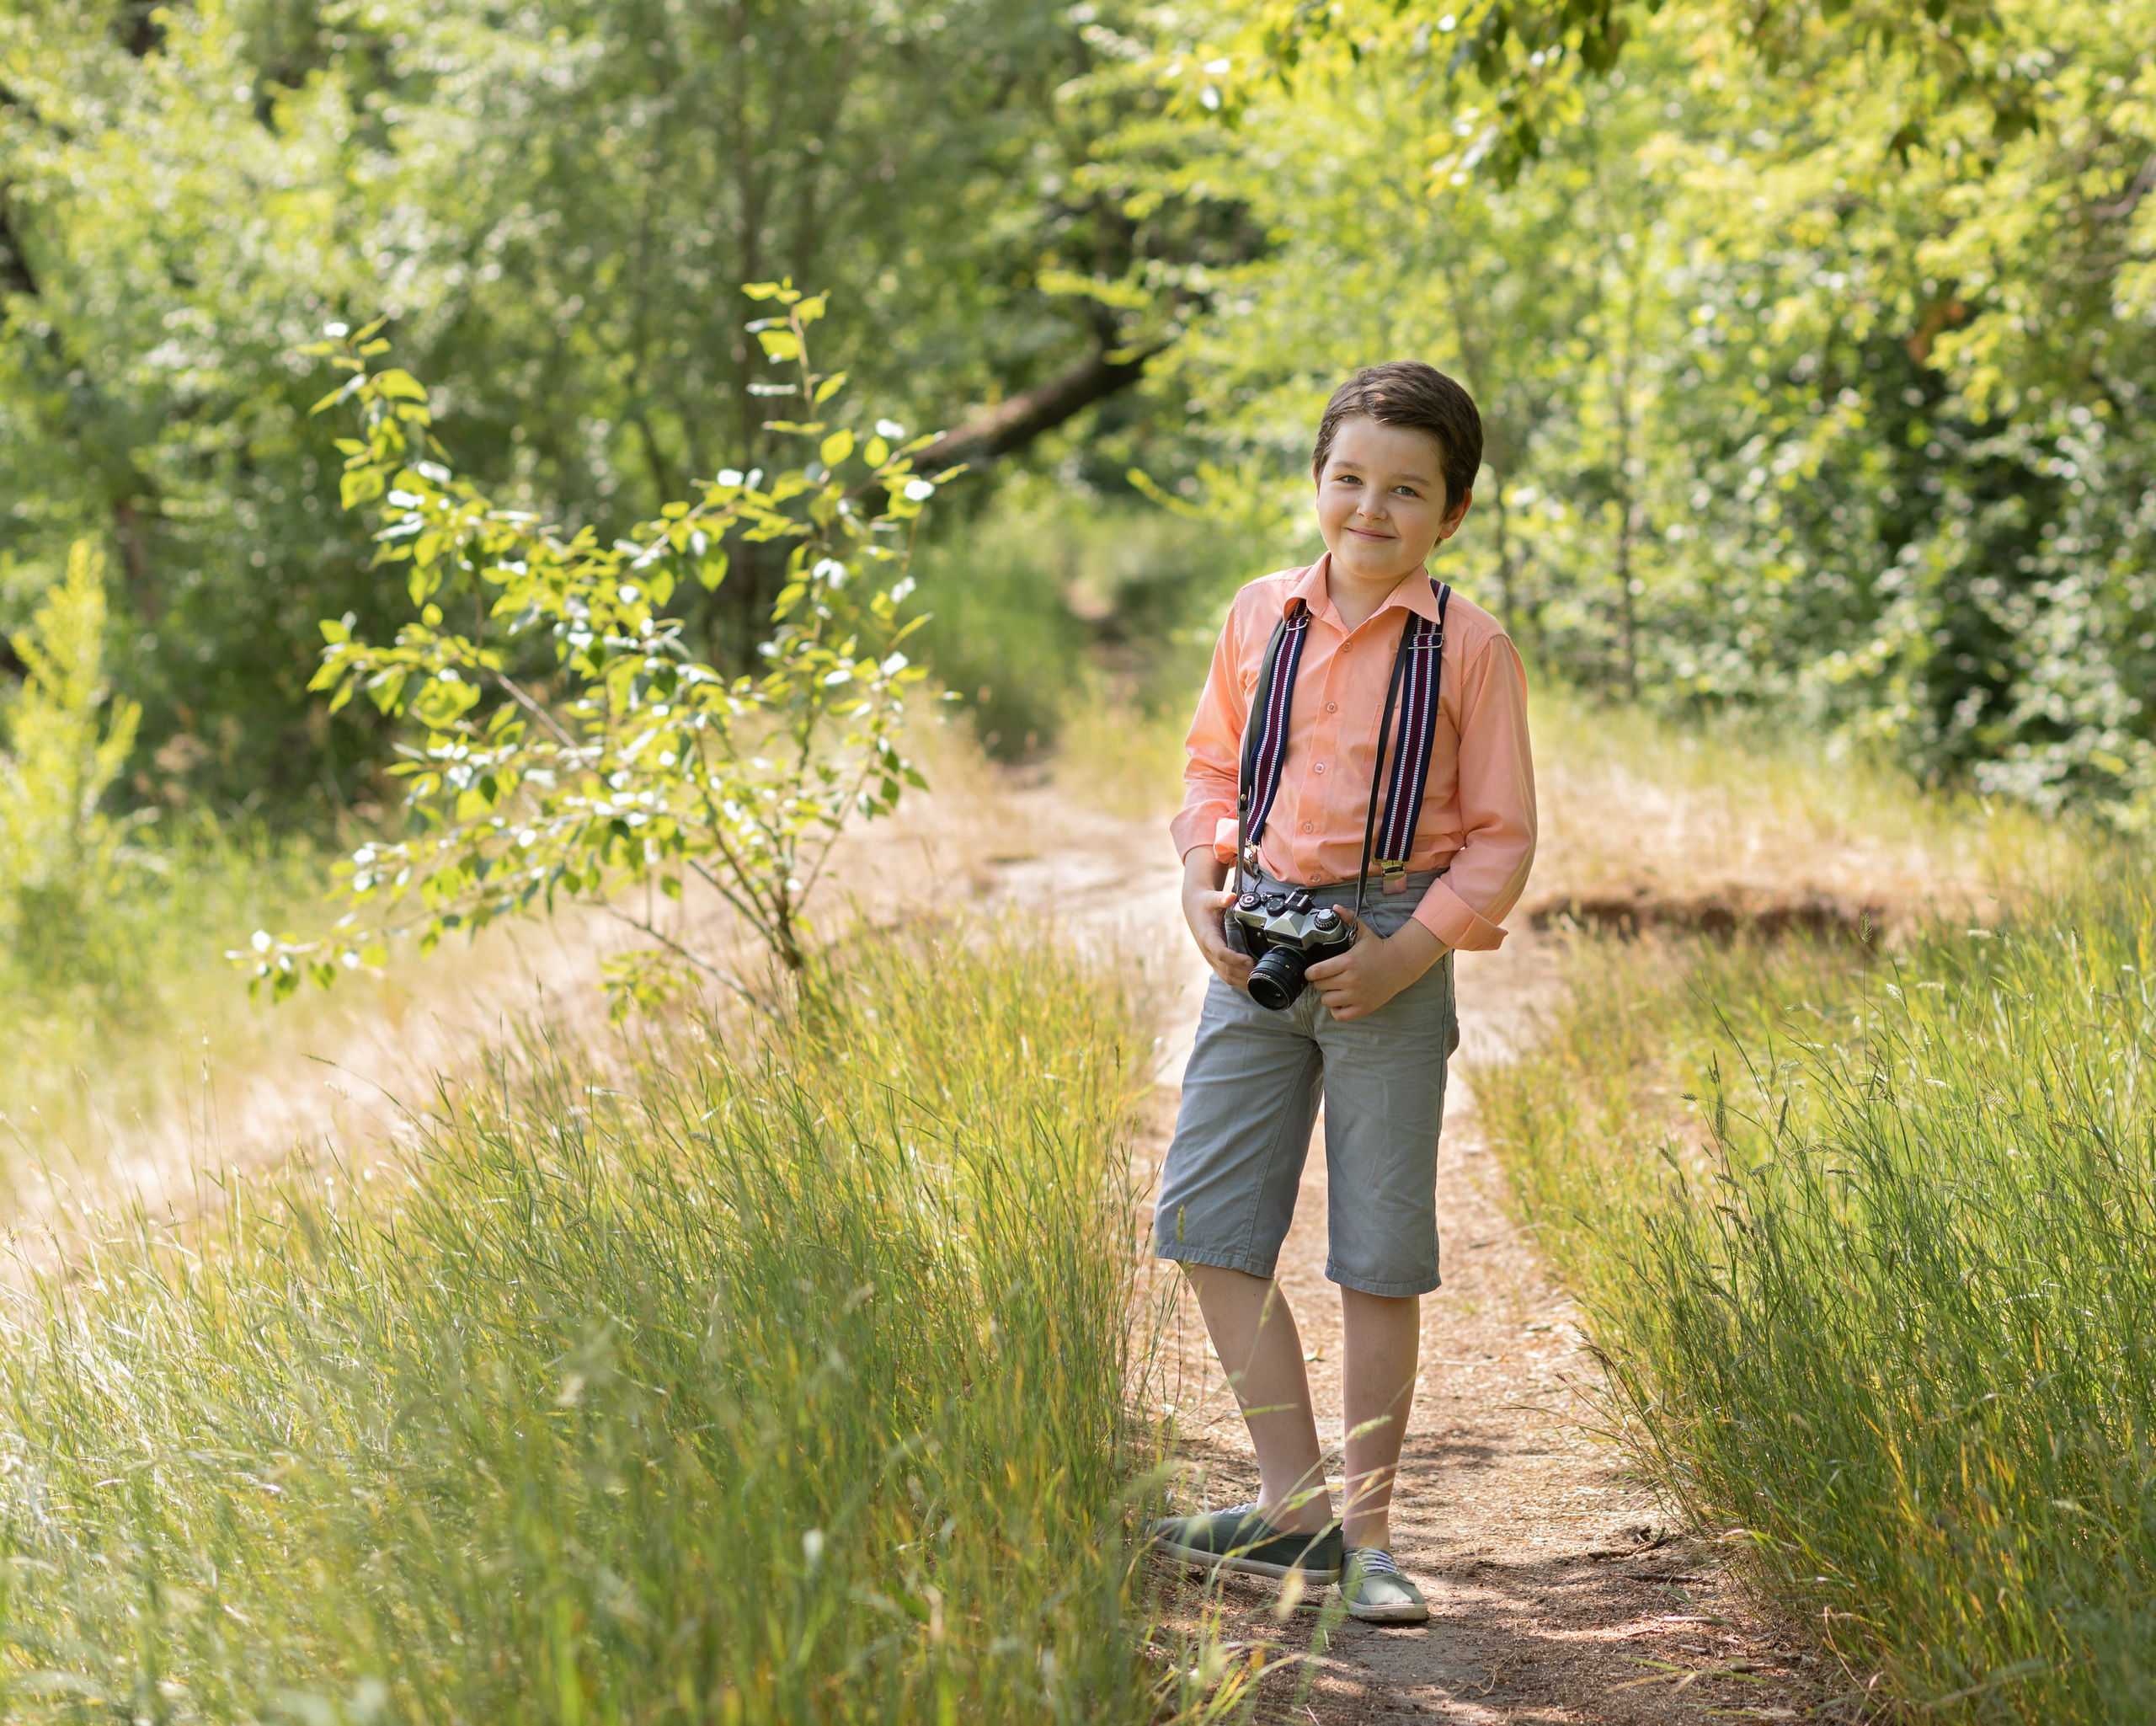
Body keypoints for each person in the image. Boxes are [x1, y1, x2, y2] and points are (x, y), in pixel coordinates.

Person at [1147, 361, 1537, 1625]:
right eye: (1350, 479)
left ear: (1453, 512)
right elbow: (1212, 769)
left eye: (1406, 490)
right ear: (1318, 481)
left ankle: (1368, 1538)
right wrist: (1201, 882)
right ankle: (1292, 1508)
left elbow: (1502, 837)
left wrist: (1405, 953)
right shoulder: (1260, 613)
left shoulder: (1472, 648)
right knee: (1207, 1220)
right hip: (1257, 933)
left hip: (1391, 949)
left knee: (1377, 1250)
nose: (1372, 508)